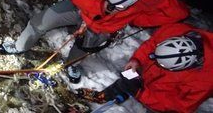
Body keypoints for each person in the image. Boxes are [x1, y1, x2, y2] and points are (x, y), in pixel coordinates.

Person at [0, 0, 190, 83]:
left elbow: (177, 13)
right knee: (40, 21)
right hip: (81, 7)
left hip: (105, 27)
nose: (111, 6)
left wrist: (137, 19)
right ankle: (20, 46)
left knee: (83, 49)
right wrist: (99, 5)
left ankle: (71, 66)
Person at [77, 23, 212, 112]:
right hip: (147, 73)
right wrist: (137, 60)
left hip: (163, 96)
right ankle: (105, 96)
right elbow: (151, 44)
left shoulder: (206, 80)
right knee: (127, 80)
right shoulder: (177, 30)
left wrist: (142, 94)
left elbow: (179, 105)